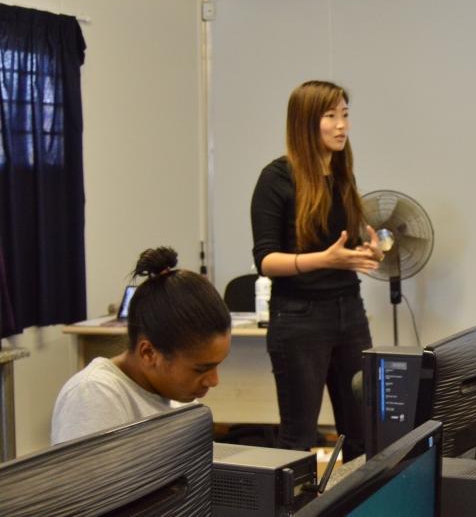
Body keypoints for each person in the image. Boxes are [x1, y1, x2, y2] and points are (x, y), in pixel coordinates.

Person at [250, 80, 381, 461]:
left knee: (364, 432)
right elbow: (266, 260)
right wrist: (326, 259)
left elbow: (341, 244)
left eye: (345, 115)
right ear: (306, 122)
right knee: (298, 438)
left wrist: (365, 252)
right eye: (330, 116)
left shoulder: (343, 176)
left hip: (350, 312)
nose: (342, 126)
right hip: (299, 318)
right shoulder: (276, 178)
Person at [51, 246, 232, 444]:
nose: (214, 381)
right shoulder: (94, 395)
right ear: (148, 353)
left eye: (217, 365)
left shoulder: (179, 400)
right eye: (201, 369)